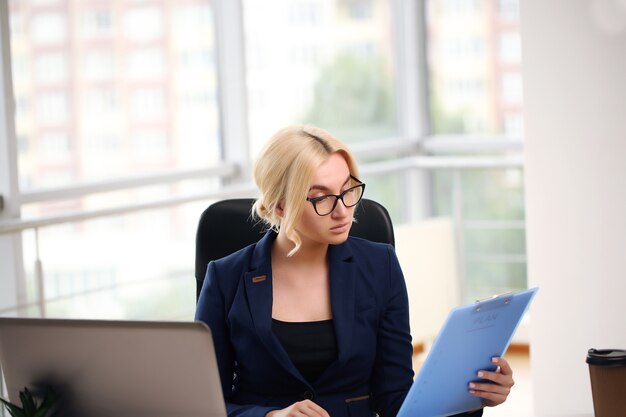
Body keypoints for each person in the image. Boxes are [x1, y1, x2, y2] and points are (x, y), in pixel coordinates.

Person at [195, 125, 514, 417]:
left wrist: (471, 396)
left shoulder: (380, 267)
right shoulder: (226, 278)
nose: (343, 210)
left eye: (348, 190)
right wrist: (269, 416)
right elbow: (203, 404)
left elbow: (394, 397)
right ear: (280, 206)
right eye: (322, 198)